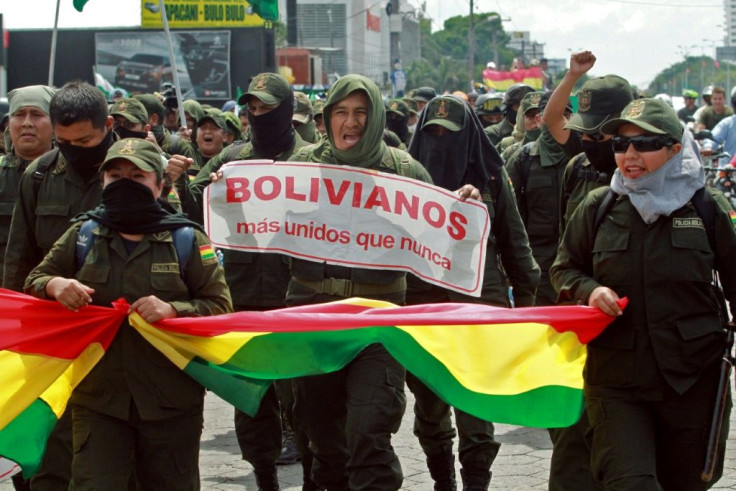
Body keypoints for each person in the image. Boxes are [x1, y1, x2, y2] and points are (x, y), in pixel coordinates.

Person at [24, 137, 233, 489]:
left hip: (170, 402)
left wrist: (172, 309)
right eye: (115, 175)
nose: (125, 184)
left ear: (160, 185)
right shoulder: (84, 233)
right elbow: (35, 279)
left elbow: (220, 307)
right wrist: (56, 285)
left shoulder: (186, 240)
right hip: (99, 400)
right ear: (103, 182)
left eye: (137, 177)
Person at [550, 97, 736, 490]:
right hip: (616, 381)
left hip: (692, 378)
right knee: (630, 483)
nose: (630, 155)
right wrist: (590, 289)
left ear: (674, 148)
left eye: (645, 144)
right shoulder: (599, 206)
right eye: (621, 145)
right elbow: (564, 269)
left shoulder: (706, 207)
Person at [286, 74, 437, 490]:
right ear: (326, 117)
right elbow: (256, 224)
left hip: (379, 324)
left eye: (360, 113)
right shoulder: (298, 169)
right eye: (340, 112)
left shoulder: (406, 173)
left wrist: (462, 208)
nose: (349, 123)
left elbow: (439, 244)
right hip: (314, 321)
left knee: (369, 432)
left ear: (375, 118)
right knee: (322, 438)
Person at [406, 94, 540, 491]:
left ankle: (477, 481)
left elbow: (516, 247)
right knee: (429, 406)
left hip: (478, 306)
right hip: (421, 307)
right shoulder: (405, 179)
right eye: (432, 133)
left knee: (473, 403)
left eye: (451, 134)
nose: (441, 141)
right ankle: (442, 478)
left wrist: (527, 316)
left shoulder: (493, 178)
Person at [187, 72, 313, 490]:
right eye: (252, 107)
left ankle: (314, 474)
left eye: (267, 107)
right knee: (251, 396)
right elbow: (191, 211)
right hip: (242, 293)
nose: (258, 114)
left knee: (304, 397)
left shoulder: (313, 159)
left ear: (288, 110)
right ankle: (263, 476)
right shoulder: (231, 160)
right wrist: (187, 183)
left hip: (298, 295)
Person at [3, 80, 117, 490]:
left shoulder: (136, 170)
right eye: (65, 141)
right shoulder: (39, 175)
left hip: (121, 336)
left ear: (108, 126)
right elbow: (19, 261)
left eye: (84, 141)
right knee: (54, 451)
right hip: (57, 336)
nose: (74, 150)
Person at [544, 50, 632, 491]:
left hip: (631, 332)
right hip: (579, 318)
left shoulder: (654, 179)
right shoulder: (578, 168)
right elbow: (567, 253)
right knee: (572, 443)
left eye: (600, 134)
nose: (590, 143)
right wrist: (573, 77)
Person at [0, 85, 55, 282]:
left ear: (55, 124)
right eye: (19, 114)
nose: (27, 123)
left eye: (37, 114)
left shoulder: (68, 177)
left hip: (49, 297)